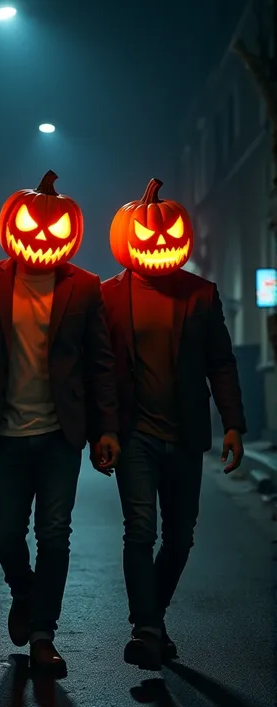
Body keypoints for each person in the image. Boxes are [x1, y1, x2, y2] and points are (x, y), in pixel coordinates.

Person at [0, 170, 120, 678]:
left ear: (71, 230)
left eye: (54, 228)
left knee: (55, 533)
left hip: (60, 434)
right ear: (10, 225)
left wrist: (105, 427)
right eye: (30, 224)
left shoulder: (85, 287)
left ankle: (44, 633)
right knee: (6, 535)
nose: (41, 236)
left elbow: (100, 362)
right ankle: (24, 593)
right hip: (4, 433)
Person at [101, 178, 246, 671]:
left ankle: (154, 619)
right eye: (148, 235)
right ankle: (145, 627)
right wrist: (103, 430)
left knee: (180, 537)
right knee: (139, 530)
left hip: (184, 433)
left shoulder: (201, 295)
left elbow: (221, 363)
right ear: (125, 238)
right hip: (134, 434)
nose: (159, 242)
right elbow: (98, 369)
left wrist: (233, 424)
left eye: (169, 234)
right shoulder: (108, 297)